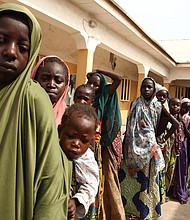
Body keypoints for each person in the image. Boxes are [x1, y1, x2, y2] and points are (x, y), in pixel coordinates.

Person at [0, 3, 72, 220]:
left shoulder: (33, 98)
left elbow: (50, 179)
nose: (10, 52)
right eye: (1, 40)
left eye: (23, 48)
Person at [120, 77, 178, 220]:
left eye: (149, 87)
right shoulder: (135, 103)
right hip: (131, 149)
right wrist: (124, 145)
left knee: (147, 183)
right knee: (129, 181)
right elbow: (129, 125)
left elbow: (175, 123)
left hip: (149, 152)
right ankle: (129, 210)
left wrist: (161, 138)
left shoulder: (158, 105)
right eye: (143, 87)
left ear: (154, 90)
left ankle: (147, 213)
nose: (146, 90)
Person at [87, 69, 125, 220]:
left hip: (108, 141)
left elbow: (118, 78)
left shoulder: (105, 94)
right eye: (90, 83)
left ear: (102, 86)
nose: (92, 87)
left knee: (109, 177)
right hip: (95, 144)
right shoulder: (90, 99)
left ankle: (116, 215)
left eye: (96, 84)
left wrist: (98, 71)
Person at [58, 103, 99, 219]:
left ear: (90, 141)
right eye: (71, 136)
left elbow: (91, 186)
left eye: (83, 140)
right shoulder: (53, 150)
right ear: (60, 130)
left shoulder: (87, 160)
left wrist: (76, 202)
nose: (76, 144)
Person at [31, 55, 70, 127]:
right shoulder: (22, 108)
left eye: (58, 81)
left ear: (66, 85)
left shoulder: (69, 117)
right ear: (34, 79)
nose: (51, 84)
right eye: (45, 79)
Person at [168, 98, 190, 204]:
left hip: (183, 145)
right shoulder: (173, 115)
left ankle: (180, 193)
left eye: (188, 107)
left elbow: (188, 134)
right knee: (171, 169)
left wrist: (183, 124)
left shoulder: (187, 118)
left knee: (181, 170)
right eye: (184, 106)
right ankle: (171, 191)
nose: (186, 109)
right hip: (172, 145)